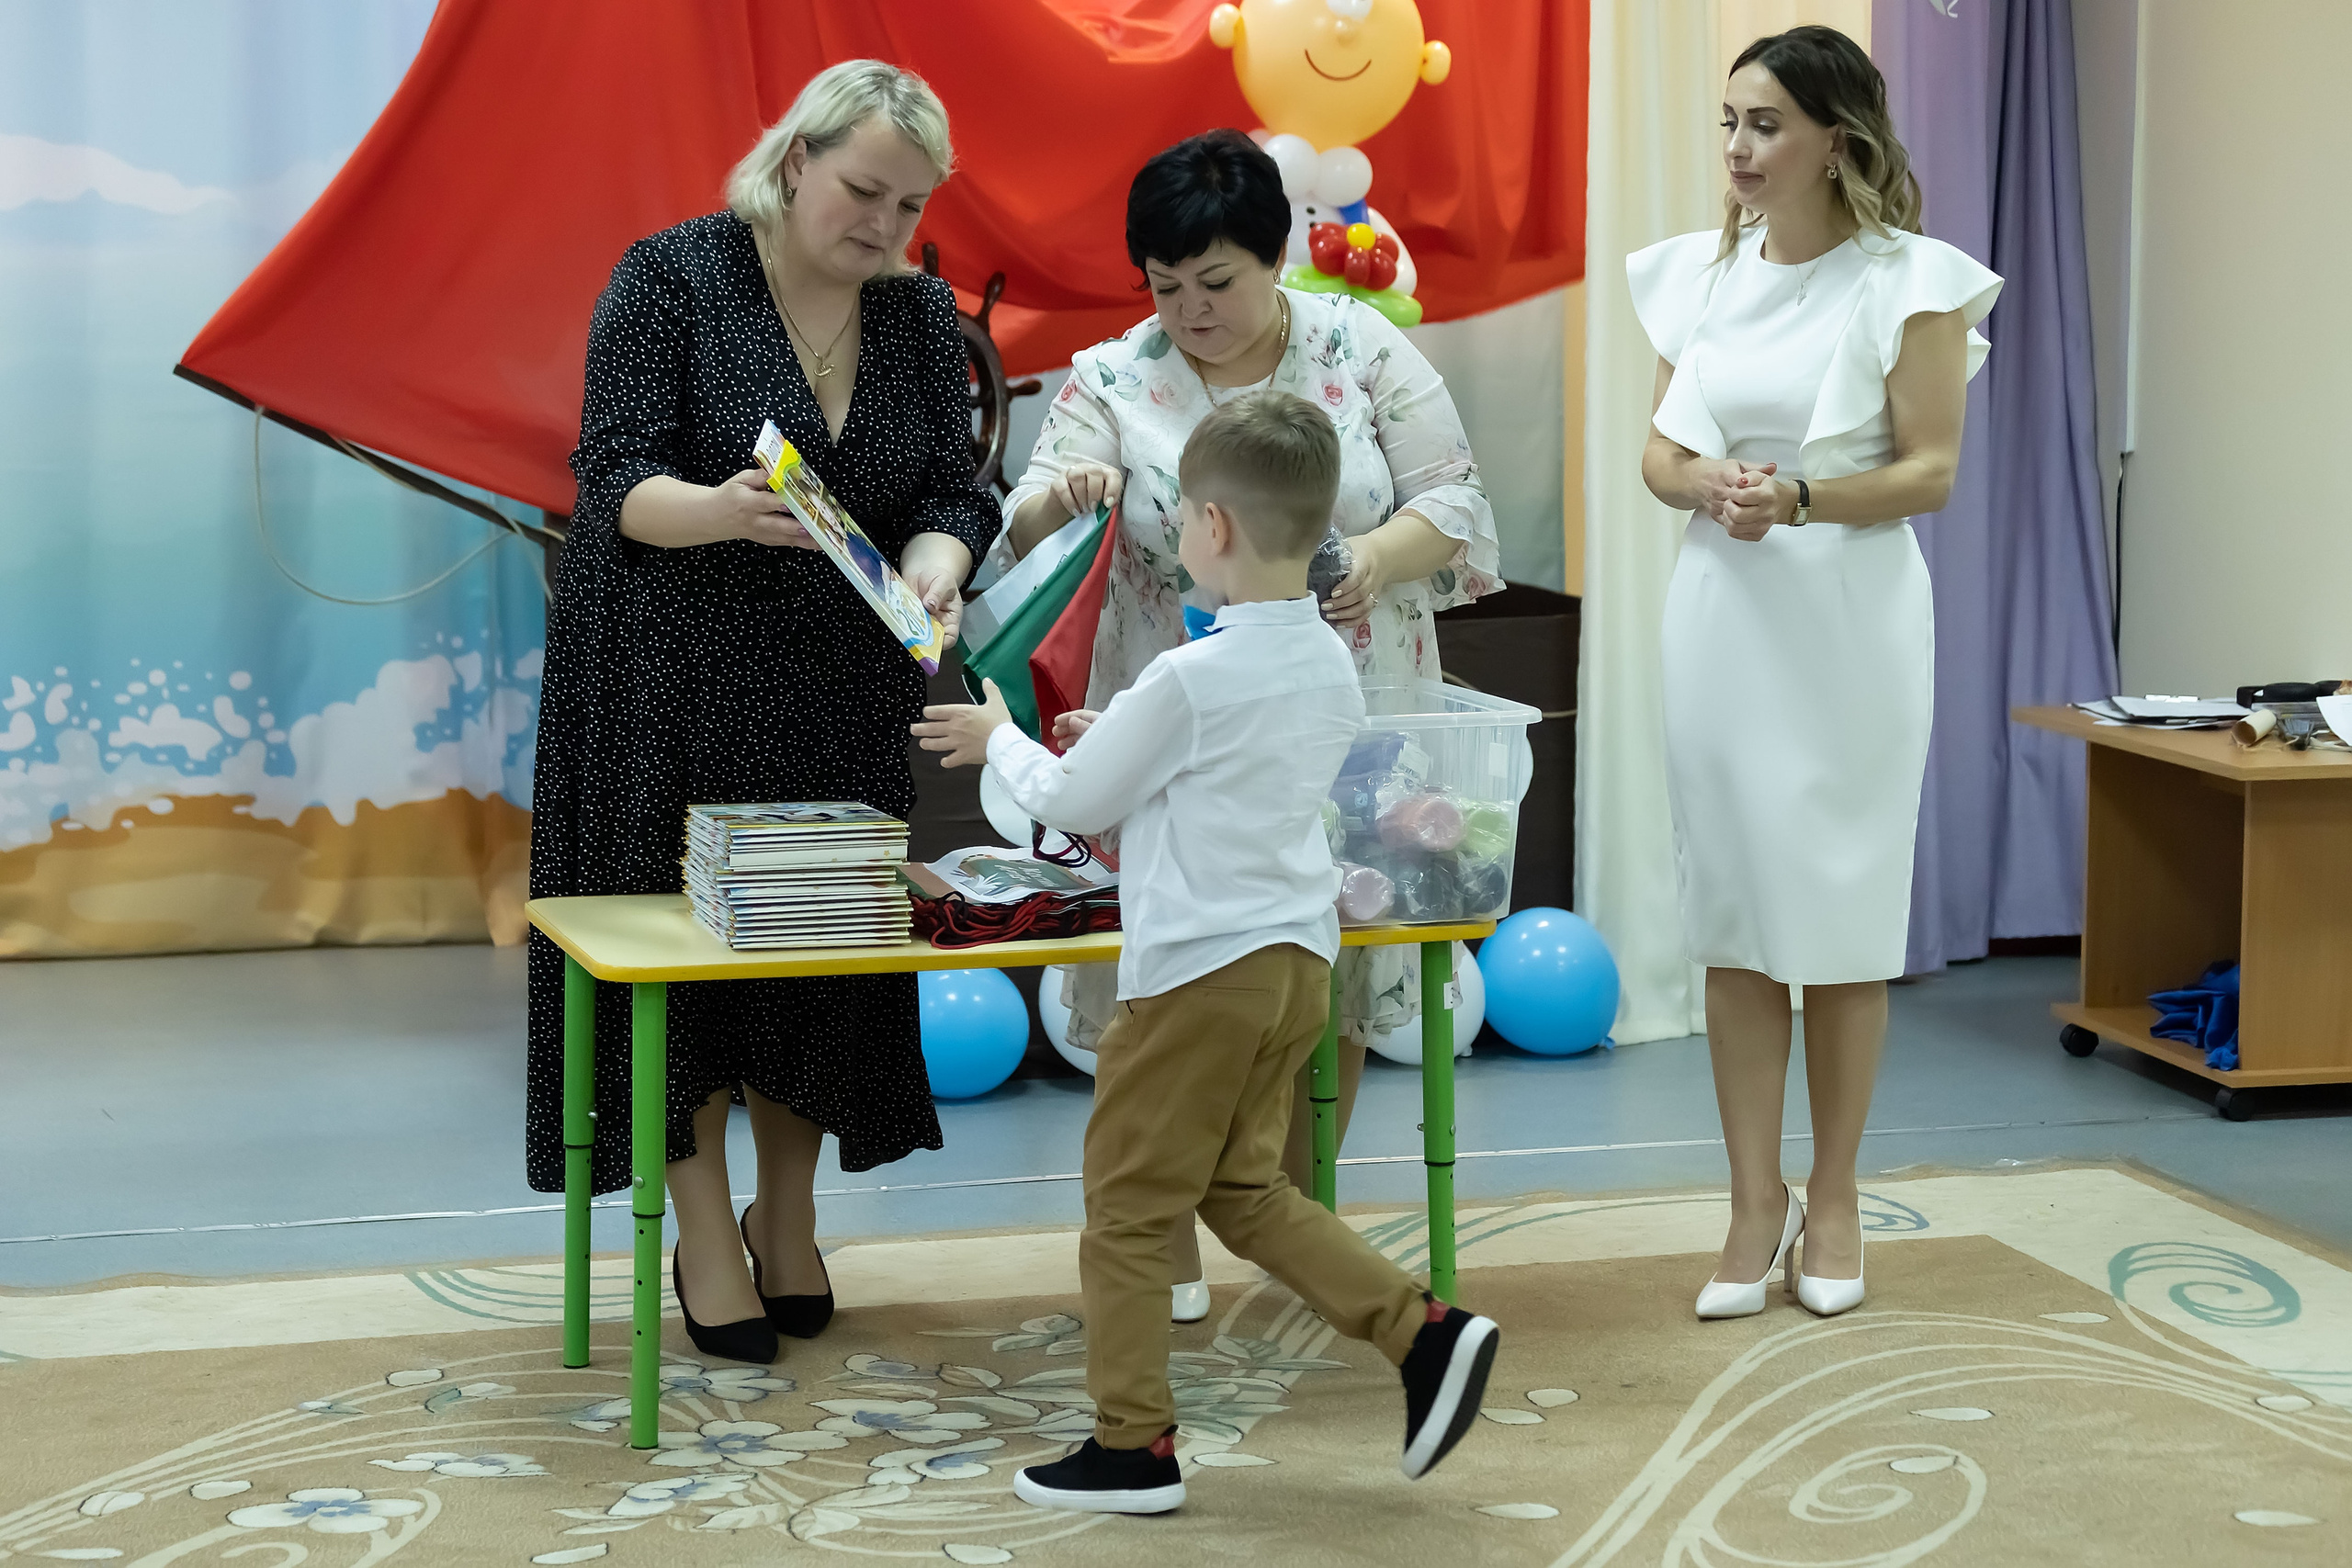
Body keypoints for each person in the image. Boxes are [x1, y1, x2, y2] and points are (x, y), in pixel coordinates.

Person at [913, 391, 1499, 1515]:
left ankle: (1132, 1448)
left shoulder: (1190, 675)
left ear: (1214, 526)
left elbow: (1080, 801)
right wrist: (1115, 740)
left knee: (1129, 1211)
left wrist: (1005, 741)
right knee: (1243, 1189)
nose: (1176, 532)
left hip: (1198, 975)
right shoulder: (1322, 660)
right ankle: (1422, 1335)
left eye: (1180, 514)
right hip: (1291, 964)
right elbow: (1204, 768)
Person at [523, 61, 1000, 1366]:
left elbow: (957, 495)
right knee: (688, 953)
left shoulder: (915, 314)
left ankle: (786, 1211)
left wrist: (940, 563)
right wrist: (720, 508)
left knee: (818, 950)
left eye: (909, 207)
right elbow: (610, 478)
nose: (885, 229)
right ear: (795, 160)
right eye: (863, 192)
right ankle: (701, 1226)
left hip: (844, 684)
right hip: (669, 674)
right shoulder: (672, 275)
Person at [989, 128, 1504, 1314]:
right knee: (1160, 982)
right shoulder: (1116, 376)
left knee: (1329, 965)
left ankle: (1295, 1214)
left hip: (1347, 718)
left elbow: (1458, 501)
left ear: (1277, 256)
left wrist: (1375, 554)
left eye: (1215, 282)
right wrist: (1061, 496)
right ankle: (1158, 1244)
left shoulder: (1358, 346)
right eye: (1165, 287)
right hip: (1175, 727)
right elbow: (1026, 516)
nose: (1190, 311)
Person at [1630, 27, 2001, 1319]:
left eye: (1765, 125)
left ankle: (1834, 1195)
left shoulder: (1915, 282)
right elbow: (1662, 456)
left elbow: (1930, 470)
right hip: (1722, 616)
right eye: (1729, 121)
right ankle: (1752, 1201)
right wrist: (1717, 484)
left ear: (1836, 139)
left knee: (1841, 923)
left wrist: (1794, 495)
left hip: (1847, 615)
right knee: (1734, 918)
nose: (1737, 149)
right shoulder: (1701, 275)